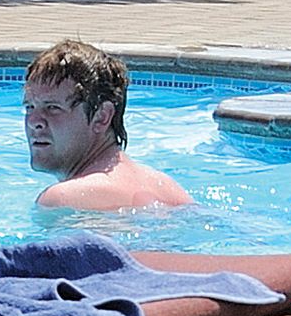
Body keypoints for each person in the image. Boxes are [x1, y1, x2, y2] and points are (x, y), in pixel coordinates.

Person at [23, 39, 192, 210]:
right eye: (29, 107)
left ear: (102, 116)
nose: (33, 122)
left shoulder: (63, 199)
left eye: (53, 108)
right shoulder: (171, 190)